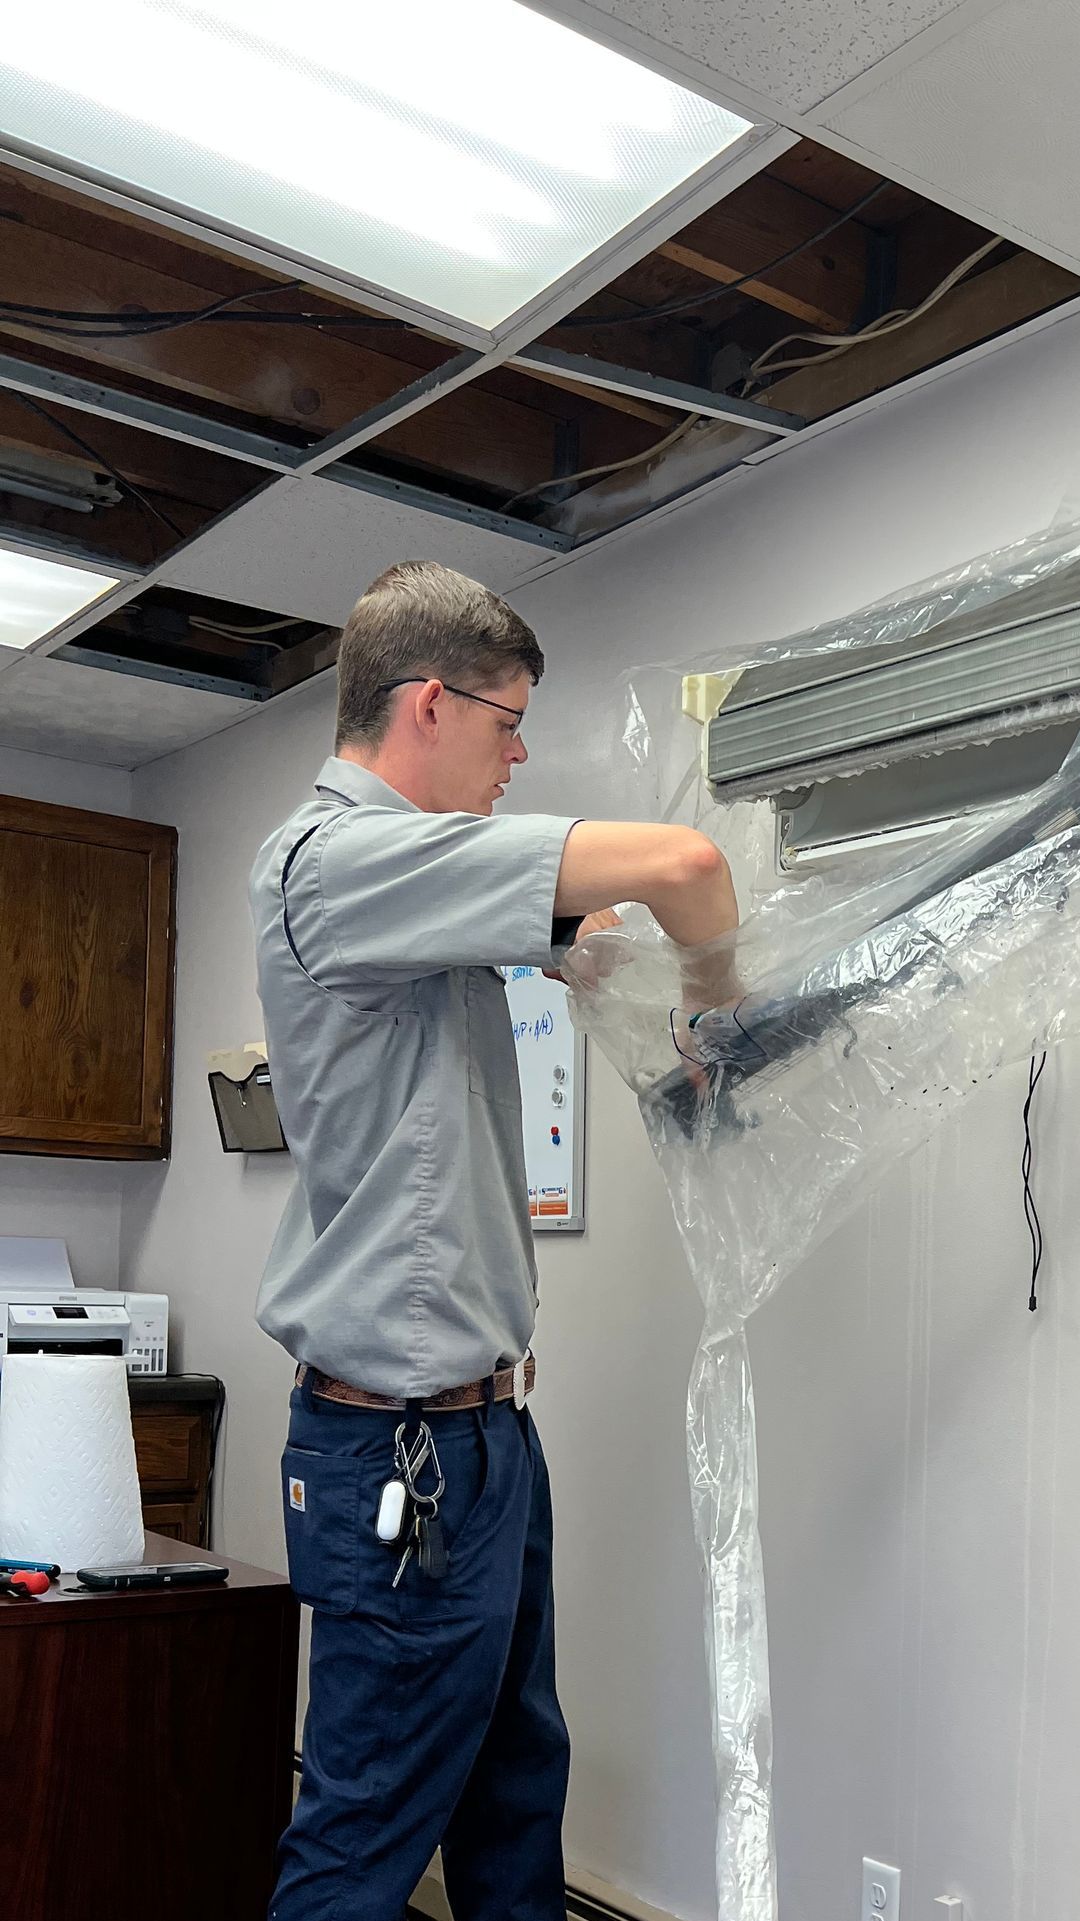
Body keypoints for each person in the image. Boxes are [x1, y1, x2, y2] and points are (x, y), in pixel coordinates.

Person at [250, 559, 737, 1920]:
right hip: (400, 1451)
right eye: (507, 719)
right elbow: (687, 865)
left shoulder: (412, 893)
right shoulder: (337, 858)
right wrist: (715, 993)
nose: (520, 752)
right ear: (425, 704)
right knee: (365, 1841)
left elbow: (575, 929)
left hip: (481, 1441)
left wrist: (580, 954)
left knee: (515, 1801)